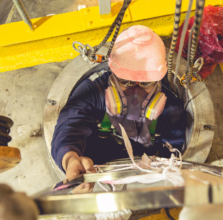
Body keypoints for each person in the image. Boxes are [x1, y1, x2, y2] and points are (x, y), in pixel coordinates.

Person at [51, 25, 187, 184]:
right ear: (112, 72)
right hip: (100, 152)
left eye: (146, 83)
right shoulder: (93, 92)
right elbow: (69, 126)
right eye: (125, 81)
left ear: (159, 79)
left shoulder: (170, 107)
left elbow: (174, 146)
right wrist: (70, 159)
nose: (135, 91)